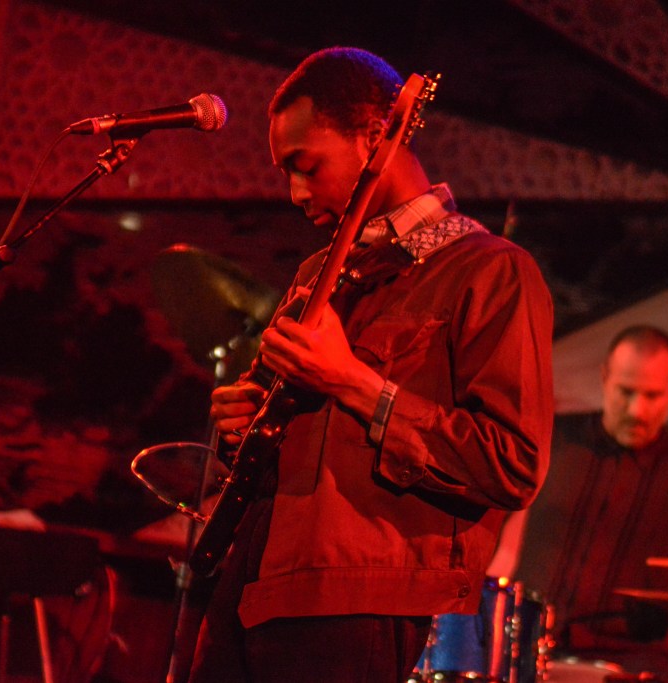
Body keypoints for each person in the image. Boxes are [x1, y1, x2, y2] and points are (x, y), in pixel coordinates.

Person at [189, 47, 555, 683]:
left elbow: (513, 463)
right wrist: (244, 424)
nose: (295, 193)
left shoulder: (492, 271)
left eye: (307, 166)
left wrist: (353, 382)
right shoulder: (318, 273)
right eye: (285, 171)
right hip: (252, 582)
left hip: (355, 601)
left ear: (375, 136)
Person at [503, 325, 668, 681]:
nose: (637, 410)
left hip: (631, 662)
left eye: (652, 396)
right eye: (626, 391)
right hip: (527, 647)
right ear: (605, 378)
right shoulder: (553, 437)